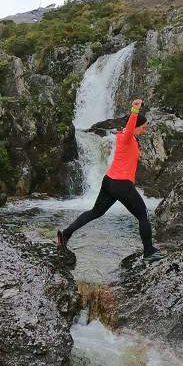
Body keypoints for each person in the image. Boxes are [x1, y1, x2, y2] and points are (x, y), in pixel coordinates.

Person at [58, 97, 164, 261]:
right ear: (135, 126)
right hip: (122, 185)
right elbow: (130, 127)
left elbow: (129, 131)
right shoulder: (127, 136)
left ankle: (65, 235)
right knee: (143, 215)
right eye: (144, 126)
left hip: (109, 182)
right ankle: (149, 252)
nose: (145, 129)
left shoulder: (125, 137)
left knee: (96, 212)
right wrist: (135, 110)